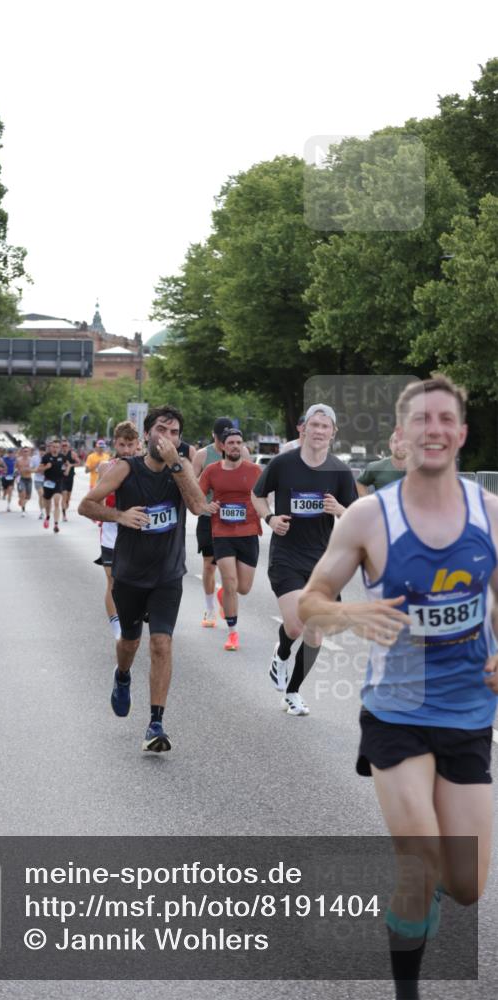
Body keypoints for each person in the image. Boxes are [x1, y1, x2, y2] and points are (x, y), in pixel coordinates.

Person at [298, 375, 498, 1000]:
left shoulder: (490, 513)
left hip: (469, 710)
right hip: (396, 711)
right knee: (418, 858)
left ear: (461, 434)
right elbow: (309, 605)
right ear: (402, 436)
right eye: (422, 420)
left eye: (446, 419)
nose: (434, 429)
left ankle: (439, 888)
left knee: (466, 886)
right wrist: (351, 614)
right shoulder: (368, 517)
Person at [78, 404, 217, 752]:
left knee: (161, 643)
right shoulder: (125, 468)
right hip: (129, 573)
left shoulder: (180, 468)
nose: (167, 438)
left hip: (168, 574)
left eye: (174, 433)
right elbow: (86, 505)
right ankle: (122, 675)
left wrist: (176, 465)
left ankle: (156, 723)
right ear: (147, 435)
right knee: (130, 641)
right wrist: (119, 515)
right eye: (161, 430)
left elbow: (200, 506)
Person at [251, 403, 357, 715]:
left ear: (333, 433)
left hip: (323, 561)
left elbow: (356, 515)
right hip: (287, 554)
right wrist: (270, 519)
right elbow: (257, 495)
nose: (320, 431)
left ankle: (293, 691)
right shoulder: (283, 463)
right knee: (296, 626)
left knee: (316, 631)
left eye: (326, 427)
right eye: (315, 425)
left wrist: (339, 510)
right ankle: (282, 652)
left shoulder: (339, 471)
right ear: (304, 429)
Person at [198, 428, 263, 651]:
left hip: (249, 533)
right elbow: (198, 497)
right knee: (230, 581)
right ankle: (232, 633)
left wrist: (270, 515)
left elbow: (265, 497)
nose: (235, 446)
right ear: (223, 447)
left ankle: (223, 595)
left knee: (243, 588)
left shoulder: (254, 470)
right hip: (222, 533)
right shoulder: (211, 471)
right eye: (231, 443)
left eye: (239, 442)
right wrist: (207, 506)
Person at [192, 417, 251, 628]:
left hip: (235, 519)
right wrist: (202, 503)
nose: (224, 445)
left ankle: (224, 592)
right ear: (214, 437)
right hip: (209, 518)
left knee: (233, 574)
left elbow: (251, 482)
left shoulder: (241, 452)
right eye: (220, 440)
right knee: (209, 565)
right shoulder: (203, 455)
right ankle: (209, 609)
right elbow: (192, 484)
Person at [93, 421, 141, 640]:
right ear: (116, 443)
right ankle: (116, 627)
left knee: (134, 582)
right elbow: (97, 502)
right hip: (112, 533)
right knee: (113, 582)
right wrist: (103, 514)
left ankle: (134, 616)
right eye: (122, 445)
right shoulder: (106, 467)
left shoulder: (144, 467)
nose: (126, 450)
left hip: (137, 534)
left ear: (138, 444)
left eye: (131, 445)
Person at [357, 431, 407, 496]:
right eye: (396, 441)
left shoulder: (421, 469)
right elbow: (360, 483)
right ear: (390, 445)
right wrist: (368, 502)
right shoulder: (377, 467)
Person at [38, 437, 69, 532]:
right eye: (53, 447)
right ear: (50, 447)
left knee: (56, 502)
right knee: (47, 504)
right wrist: (46, 467)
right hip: (48, 483)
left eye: (57, 447)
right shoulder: (46, 457)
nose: (55, 449)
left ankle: (56, 524)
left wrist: (66, 471)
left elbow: (68, 465)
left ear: (59, 448)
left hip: (58, 482)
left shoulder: (62, 457)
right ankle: (47, 516)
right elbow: (39, 469)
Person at [60, 437, 81, 521]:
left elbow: (79, 463)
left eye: (66, 445)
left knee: (68, 497)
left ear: (68, 446)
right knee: (64, 496)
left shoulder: (72, 454)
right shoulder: (59, 455)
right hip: (62, 478)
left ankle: (67, 503)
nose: (64, 447)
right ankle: (64, 515)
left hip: (70, 478)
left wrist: (70, 465)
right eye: (63, 445)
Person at [16, 446, 33, 516]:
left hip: (29, 479)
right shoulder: (18, 460)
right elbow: (15, 468)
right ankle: (23, 510)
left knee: (28, 497)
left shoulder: (31, 460)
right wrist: (16, 478)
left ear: (29, 452)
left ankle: (22, 502)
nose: (25, 452)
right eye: (24, 451)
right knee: (23, 494)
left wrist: (29, 469)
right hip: (21, 479)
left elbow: (34, 469)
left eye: (27, 451)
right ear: (22, 452)